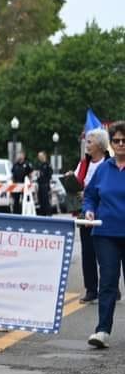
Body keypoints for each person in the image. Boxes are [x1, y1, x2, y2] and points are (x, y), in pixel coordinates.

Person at [82, 122, 125, 349]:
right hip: (105, 233)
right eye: (116, 140)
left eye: (123, 141)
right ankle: (102, 330)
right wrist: (88, 210)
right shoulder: (103, 169)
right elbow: (90, 196)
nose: (120, 144)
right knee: (107, 283)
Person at [76, 127, 111, 303]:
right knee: (87, 252)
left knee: (106, 254)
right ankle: (91, 289)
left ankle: (110, 287)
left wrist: (90, 192)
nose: (86, 145)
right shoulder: (83, 163)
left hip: (104, 214)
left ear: (99, 145)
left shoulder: (109, 164)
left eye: (89, 142)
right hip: (85, 212)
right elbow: (77, 183)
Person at [34, 151, 53, 216]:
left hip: (45, 184)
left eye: (40, 156)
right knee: (40, 200)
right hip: (40, 184)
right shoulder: (39, 165)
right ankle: (42, 214)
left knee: (46, 201)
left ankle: (48, 214)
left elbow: (49, 175)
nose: (39, 157)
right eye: (39, 156)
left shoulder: (47, 165)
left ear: (44, 156)